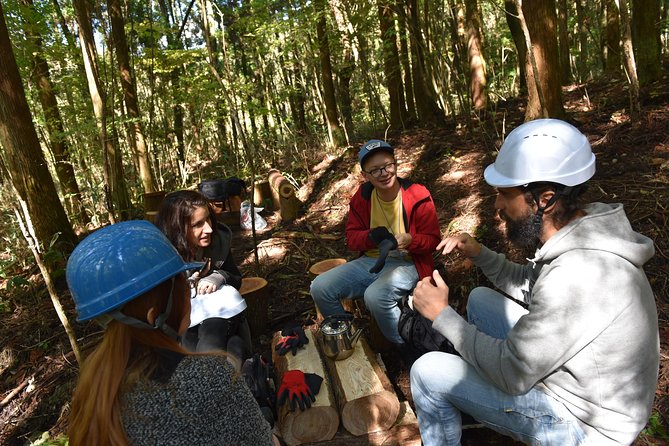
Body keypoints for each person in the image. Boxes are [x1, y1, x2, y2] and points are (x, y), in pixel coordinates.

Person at [410, 119, 659, 445]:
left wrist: (442, 316)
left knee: (427, 372)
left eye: (504, 195)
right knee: (481, 299)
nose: (497, 206)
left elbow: (512, 373)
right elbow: (532, 285)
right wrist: (480, 253)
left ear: (544, 198)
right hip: (581, 382)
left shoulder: (576, 275)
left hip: (588, 424)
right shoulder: (584, 228)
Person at [65, 220, 277, 445]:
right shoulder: (208, 376)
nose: (188, 290)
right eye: (182, 282)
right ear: (153, 314)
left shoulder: (94, 387)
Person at [310, 139, 441, 353]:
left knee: (375, 296)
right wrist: (372, 237)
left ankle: (407, 349)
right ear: (366, 176)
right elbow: (351, 239)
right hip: (371, 261)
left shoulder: (417, 195)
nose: (384, 173)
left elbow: (433, 240)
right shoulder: (362, 198)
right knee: (320, 287)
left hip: (409, 262)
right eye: (375, 170)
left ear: (396, 165)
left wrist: (411, 240)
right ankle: (348, 338)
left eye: (388, 166)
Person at [155, 190, 251, 369]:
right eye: (197, 224)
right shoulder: (162, 257)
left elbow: (234, 276)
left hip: (220, 314)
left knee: (212, 335)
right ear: (177, 229)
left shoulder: (218, 240)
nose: (209, 228)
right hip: (184, 322)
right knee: (204, 346)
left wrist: (218, 276)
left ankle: (216, 376)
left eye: (208, 219)